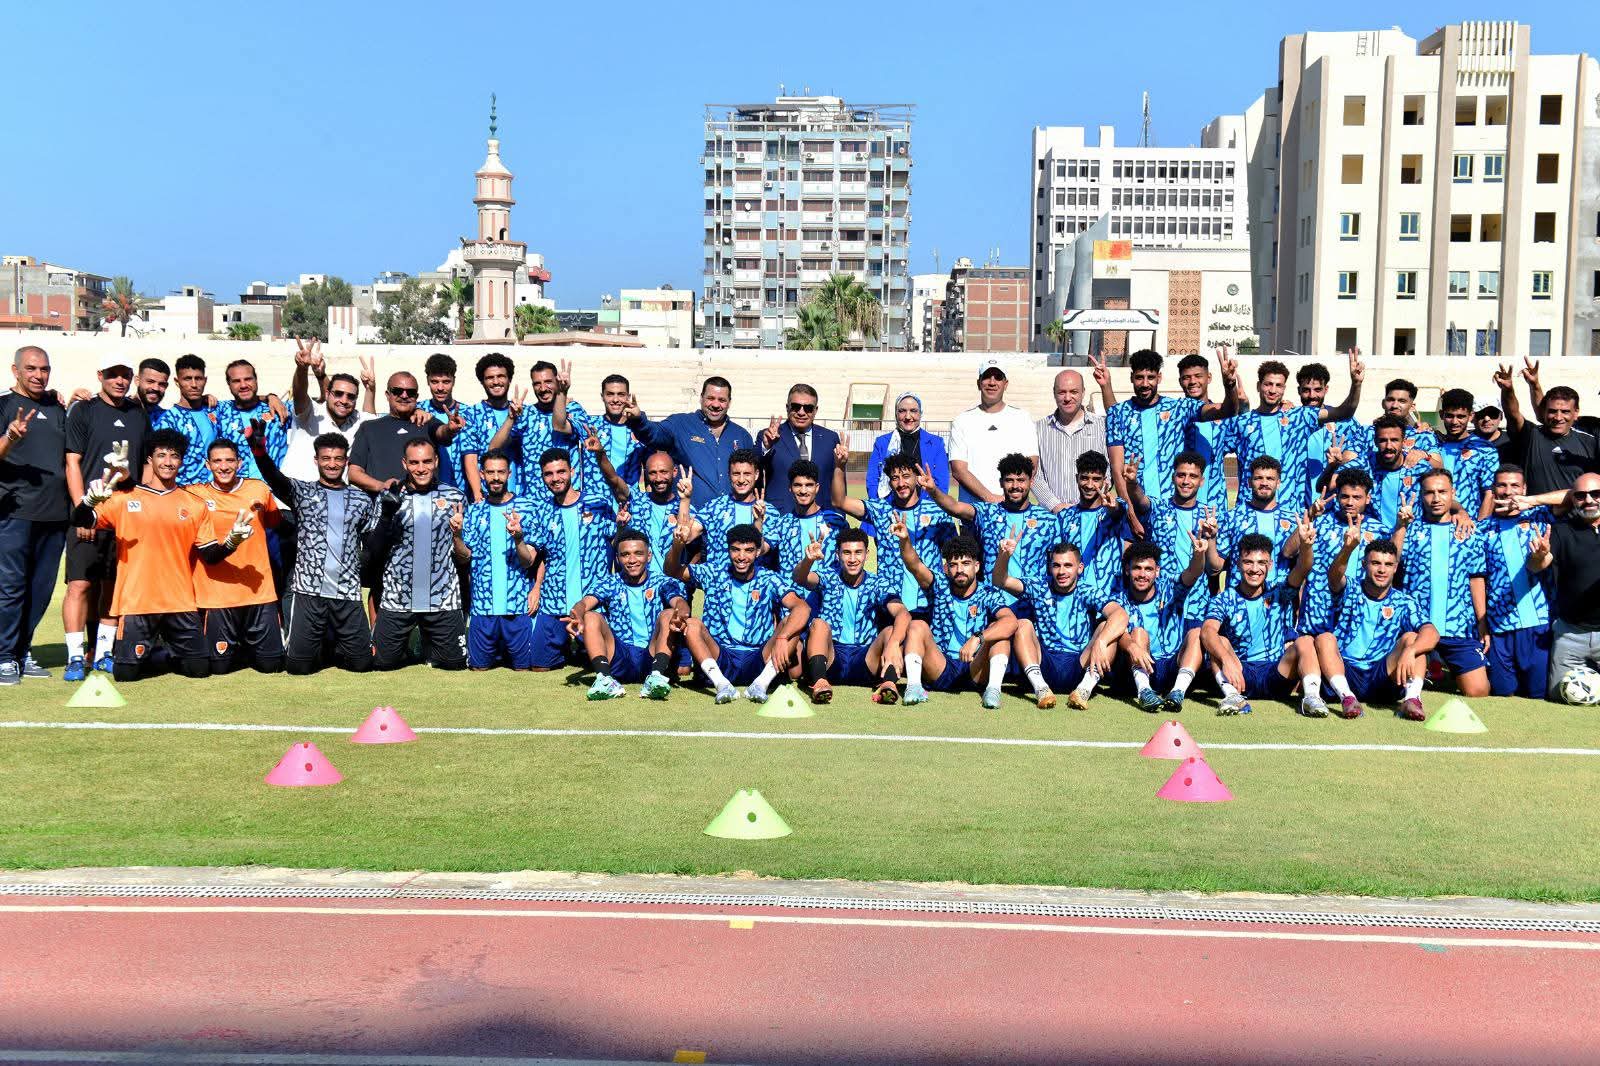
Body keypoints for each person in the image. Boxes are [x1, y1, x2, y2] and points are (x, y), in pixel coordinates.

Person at [73, 429, 254, 681]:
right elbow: (80, 520)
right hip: (137, 602)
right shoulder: (125, 498)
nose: (168, 462)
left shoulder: (194, 504)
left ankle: (163, 649)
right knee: (126, 674)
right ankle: (151, 650)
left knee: (199, 670)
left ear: (181, 461)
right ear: (150, 459)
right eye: (161, 455)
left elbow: (210, 555)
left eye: (174, 456)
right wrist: (89, 501)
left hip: (180, 602)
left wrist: (232, 541)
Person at [249, 428, 375, 676]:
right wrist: (259, 451)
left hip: (347, 592)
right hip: (308, 592)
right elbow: (275, 478)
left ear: (346, 461)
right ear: (316, 460)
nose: (332, 464)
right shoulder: (303, 492)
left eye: (338, 458)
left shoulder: (361, 500)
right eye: (326, 458)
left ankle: (334, 647)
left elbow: (370, 543)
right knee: (298, 668)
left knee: (362, 665)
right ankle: (310, 647)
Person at [62, 355, 145, 679]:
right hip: (90, 513)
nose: (119, 380)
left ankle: (104, 652)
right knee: (80, 585)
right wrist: (83, 512)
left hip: (124, 517)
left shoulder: (137, 413)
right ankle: (74, 656)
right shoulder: (83, 410)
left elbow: (143, 466)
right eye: (113, 374)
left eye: (125, 375)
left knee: (113, 585)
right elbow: (73, 463)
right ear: (100, 375)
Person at [669, 522, 810, 703]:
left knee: (792, 622)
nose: (741, 557)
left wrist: (783, 637)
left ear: (757, 552)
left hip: (759, 657)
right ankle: (722, 685)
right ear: (728, 550)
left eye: (748, 550)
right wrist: (677, 546)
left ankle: (761, 685)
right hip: (721, 655)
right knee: (692, 625)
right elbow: (673, 570)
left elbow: (802, 607)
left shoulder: (769, 578)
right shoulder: (714, 572)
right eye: (736, 550)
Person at [1106, 348, 1239, 538]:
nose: (1145, 383)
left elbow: (1225, 411)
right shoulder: (1117, 413)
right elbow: (1117, 469)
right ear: (1131, 378)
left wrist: (1230, 384)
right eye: (1139, 377)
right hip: (1135, 510)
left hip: (1169, 512)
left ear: (1159, 378)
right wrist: (1131, 515)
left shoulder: (1179, 408)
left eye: (1151, 377)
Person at [363, 439, 468, 671]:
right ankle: (409, 644)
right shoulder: (389, 496)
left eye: (427, 461)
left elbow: (465, 556)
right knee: (382, 663)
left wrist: (458, 535)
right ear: (405, 463)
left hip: (443, 597)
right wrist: (386, 516)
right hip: (398, 598)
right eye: (414, 462)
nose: (421, 468)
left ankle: (429, 642)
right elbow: (373, 550)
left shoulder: (455, 497)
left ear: (436, 461)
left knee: (455, 664)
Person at [992, 535, 1126, 711]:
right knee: (1023, 624)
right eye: (1056, 565)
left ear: (1080, 568)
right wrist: (1004, 556)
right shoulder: (1039, 587)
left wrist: (1101, 641)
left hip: (1080, 664)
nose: (1062, 571)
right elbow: (1000, 581)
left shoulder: (1088, 591)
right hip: (1044, 663)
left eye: (1068, 565)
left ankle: (1083, 691)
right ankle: (1040, 689)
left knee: (1106, 628)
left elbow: (1120, 614)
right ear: (1050, 567)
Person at [1201, 525, 1323, 717]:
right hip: (1240, 675)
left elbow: (1303, 568)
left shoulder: (1280, 591)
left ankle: (1311, 698)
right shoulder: (1224, 598)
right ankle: (1232, 696)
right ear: (1238, 563)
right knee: (1218, 641)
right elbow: (1207, 631)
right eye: (1248, 562)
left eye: (1261, 563)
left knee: (1305, 641)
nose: (1255, 569)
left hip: (1276, 674)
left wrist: (1306, 546)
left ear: (1270, 565)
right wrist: (1226, 660)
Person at [0, 345, 69, 683]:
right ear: (16, 371)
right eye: (31, 368)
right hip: (15, 515)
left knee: (40, 590)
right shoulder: (3, 406)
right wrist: (10, 437)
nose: (38, 375)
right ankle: (3, 657)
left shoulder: (57, 408)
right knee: (11, 588)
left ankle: (22, 651)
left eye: (44, 369)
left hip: (55, 515)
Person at [896, 527, 1017, 709]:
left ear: (977, 566)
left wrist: (978, 638)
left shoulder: (988, 593)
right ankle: (914, 687)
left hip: (976, 668)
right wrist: (905, 539)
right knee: (917, 625)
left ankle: (993, 690)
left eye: (966, 563)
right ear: (946, 568)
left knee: (999, 631)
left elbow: (1011, 622)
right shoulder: (939, 585)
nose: (960, 570)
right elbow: (914, 565)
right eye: (953, 565)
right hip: (941, 666)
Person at [1316, 531, 1432, 720]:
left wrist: (1411, 651)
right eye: (1376, 563)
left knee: (1413, 639)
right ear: (1364, 564)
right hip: (1346, 670)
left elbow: (1431, 632)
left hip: (1382, 676)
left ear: (1395, 568)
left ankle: (1412, 699)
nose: (1382, 570)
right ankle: (1347, 698)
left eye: (1388, 564)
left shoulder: (1404, 601)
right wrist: (1348, 549)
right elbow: (1334, 577)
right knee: (1324, 638)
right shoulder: (1350, 589)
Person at [524, 448, 621, 670]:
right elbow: (537, 556)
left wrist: (622, 528)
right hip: (555, 601)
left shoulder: (597, 503)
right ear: (542, 476)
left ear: (572, 471)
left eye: (561, 471)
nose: (555, 478)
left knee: (606, 663)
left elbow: (616, 543)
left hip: (593, 602)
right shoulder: (542, 511)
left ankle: (582, 647)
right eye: (549, 474)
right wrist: (537, 586)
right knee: (539, 665)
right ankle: (567, 647)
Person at [1231, 352, 1363, 509]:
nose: (1273, 390)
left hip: (1291, 512)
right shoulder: (1241, 422)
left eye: (1278, 385)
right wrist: (1231, 389)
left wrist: (1356, 384)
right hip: (1248, 510)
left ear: (1284, 389)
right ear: (1259, 386)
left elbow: (1345, 412)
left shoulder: (1299, 417)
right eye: (1268, 384)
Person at [832, 448, 957, 613]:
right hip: (890, 601)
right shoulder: (880, 509)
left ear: (917, 478)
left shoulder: (937, 512)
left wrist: (942, 585)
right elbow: (839, 501)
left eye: (906, 476)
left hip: (929, 602)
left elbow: (955, 554)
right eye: (895, 478)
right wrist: (840, 466)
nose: (901, 483)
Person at [569, 529, 690, 700]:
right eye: (625, 555)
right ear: (618, 558)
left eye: (638, 553)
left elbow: (679, 602)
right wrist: (578, 614)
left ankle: (656, 676)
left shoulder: (662, 581)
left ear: (649, 556)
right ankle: (605, 680)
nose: (632, 560)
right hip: (620, 655)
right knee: (590, 616)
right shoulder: (610, 582)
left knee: (669, 613)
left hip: (651, 653)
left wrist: (682, 613)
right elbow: (584, 603)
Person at [792, 526, 907, 705]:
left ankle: (888, 683)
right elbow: (800, 579)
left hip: (866, 658)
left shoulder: (879, 583)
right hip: (832, 657)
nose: (853, 559)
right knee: (819, 624)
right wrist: (808, 560)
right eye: (847, 553)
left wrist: (893, 642)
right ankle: (819, 681)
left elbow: (903, 613)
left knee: (892, 631)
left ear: (867, 554)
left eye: (858, 552)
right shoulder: (828, 577)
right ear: (837, 555)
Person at [919, 452, 1055, 600]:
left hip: (1033, 603)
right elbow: (955, 507)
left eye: (1021, 480)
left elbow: (1056, 564)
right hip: (995, 602)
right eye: (1009, 480)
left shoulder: (1047, 520)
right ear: (1001, 482)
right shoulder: (988, 513)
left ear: (1031, 482)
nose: (1015, 486)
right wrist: (933, 490)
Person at [451, 449, 539, 671]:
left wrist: (518, 538)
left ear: (509, 473)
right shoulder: (474, 511)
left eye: (501, 472)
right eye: (490, 472)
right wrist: (457, 535)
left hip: (516, 606)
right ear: (482, 474)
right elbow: (464, 557)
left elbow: (529, 561)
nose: (496, 477)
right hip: (483, 607)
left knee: (523, 669)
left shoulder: (527, 508)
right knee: (478, 668)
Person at [1478, 465, 1554, 698]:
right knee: (1503, 694)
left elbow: (1572, 496)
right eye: (1502, 485)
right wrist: (1482, 623)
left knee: (1537, 695)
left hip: (1537, 624)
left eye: (1514, 485)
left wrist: (1531, 502)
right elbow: (1477, 579)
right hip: (1499, 627)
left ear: (1524, 489)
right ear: (1493, 489)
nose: (1508, 491)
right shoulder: (1482, 530)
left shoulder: (1541, 516)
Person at [1114, 533, 1210, 714]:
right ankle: (1144, 692)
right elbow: (1116, 633)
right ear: (1127, 570)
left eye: (1148, 569)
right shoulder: (1118, 599)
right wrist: (1132, 646)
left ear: (1157, 571)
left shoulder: (1171, 587)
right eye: (1137, 568)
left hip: (1173, 665)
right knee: (1138, 632)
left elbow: (1193, 573)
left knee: (1196, 633)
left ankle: (1178, 691)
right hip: (1139, 667)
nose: (1142, 574)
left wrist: (1199, 555)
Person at [1124, 449, 1216, 636]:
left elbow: (1215, 568)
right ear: (1173, 477)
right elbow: (1140, 500)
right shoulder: (1158, 508)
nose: (1186, 481)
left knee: (1193, 646)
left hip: (1196, 602)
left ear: (1202, 481)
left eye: (1193, 476)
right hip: (1161, 600)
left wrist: (1211, 537)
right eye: (1181, 475)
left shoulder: (1210, 517)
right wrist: (1132, 483)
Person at [625, 375, 753, 507]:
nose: (715, 405)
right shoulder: (680, 424)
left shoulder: (742, 436)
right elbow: (654, 434)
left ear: (729, 402)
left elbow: (753, 475)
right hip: (688, 513)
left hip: (729, 515)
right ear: (701, 398)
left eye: (722, 400)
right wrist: (639, 420)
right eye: (710, 398)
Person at [1527, 472, 1600, 699]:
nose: (1588, 500)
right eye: (1581, 495)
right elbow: (1536, 566)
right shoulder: (1560, 530)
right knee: (1560, 697)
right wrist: (1539, 556)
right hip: (1570, 634)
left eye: (1596, 494)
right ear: (1572, 499)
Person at [1299, 469, 1392, 642]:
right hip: (1318, 616)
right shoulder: (1320, 523)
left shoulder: (1380, 531)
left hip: (1357, 620)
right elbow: (1289, 553)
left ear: (1368, 498)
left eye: (1356, 497)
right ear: (1337, 496)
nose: (1349, 502)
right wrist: (1310, 516)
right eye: (1344, 497)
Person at [1495, 359, 1599, 495]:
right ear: (1544, 412)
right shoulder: (1530, 435)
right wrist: (1508, 390)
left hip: (1575, 509)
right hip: (1533, 509)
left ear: (1576, 413)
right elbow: (1513, 415)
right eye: (1552, 411)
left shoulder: (1590, 441)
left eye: (1565, 412)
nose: (1558, 417)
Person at [486, 359, 589, 496]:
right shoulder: (526, 413)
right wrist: (511, 418)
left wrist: (562, 393)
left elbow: (559, 425)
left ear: (557, 382)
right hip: (534, 499)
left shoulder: (573, 409)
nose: (543, 388)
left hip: (566, 498)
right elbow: (494, 448)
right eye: (537, 384)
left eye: (548, 382)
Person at [347, 371, 462, 493]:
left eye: (410, 392)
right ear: (387, 395)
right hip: (383, 502)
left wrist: (450, 429)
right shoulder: (369, 428)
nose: (404, 395)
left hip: (426, 502)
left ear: (416, 397)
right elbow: (354, 473)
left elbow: (442, 433)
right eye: (397, 391)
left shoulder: (426, 421)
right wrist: (382, 486)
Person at [281, 340, 376, 482]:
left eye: (351, 396)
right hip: (294, 492)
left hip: (335, 494)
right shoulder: (311, 413)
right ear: (327, 394)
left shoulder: (356, 420)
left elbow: (371, 421)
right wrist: (302, 368)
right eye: (338, 394)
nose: (344, 400)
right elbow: (299, 393)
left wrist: (370, 389)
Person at [761, 460, 849, 611]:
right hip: (791, 608)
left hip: (828, 607)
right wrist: (758, 521)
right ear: (790, 488)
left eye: (809, 485)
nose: (803, 491)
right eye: (797, 485)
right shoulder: (782, 524)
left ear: (817, 488)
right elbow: (760, 550)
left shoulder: (835, 522)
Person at [948, 360, 1037, 504]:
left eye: (998, 377)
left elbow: (1031, 464)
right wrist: (990, 498)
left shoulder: (1022, 418)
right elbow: (959, 470)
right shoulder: (962, 420)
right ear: (979, 383)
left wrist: (1009, 497)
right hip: (974, 510)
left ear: (1005, 384)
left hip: (1012, 509)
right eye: (987, 377)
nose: (992, 382)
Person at [1331, 415, 1433, 530]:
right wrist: (1332, 466)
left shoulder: (1420, 468)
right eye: (1383, 440)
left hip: (1410, 536)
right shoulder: (1365, 463)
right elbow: (1330, 485)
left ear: (1404, 442)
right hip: (1376, 536)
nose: (1388, 446)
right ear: (1375, 441)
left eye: (1394, 440)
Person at [1057, 450, 1128, 604]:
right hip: (1076, 600)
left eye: (1096, 479)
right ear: (1077, 478)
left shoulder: (1115, 510)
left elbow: (1118, 511)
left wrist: (1112, 508)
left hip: (1110, 597)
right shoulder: (1064, 517)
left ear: (1105, 481)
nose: (1089, 485)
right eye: (1085, 478)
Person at [1214, 456, 1298, 584]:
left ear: (1278, 483)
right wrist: (1210, 539)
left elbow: (1300, 568)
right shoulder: (1231, 517)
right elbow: (1215, 567)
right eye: (1258, 478)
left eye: (1270, 478)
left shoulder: (1293, 520)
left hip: (1279, 595)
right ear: (1249, 482)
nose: (1264, 483)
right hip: (1238, 595)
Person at [758, 383, 841, 512]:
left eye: (808, 408)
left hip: (822, 516)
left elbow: (838, 480)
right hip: (781, 515)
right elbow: (753, 469)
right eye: (796, 407)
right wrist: (766, 447)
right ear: (787, 407)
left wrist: (838, 516)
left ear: (815, 410)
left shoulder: (830, 438)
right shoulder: (769, 436)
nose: (801, 412)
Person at [1033, 369, 1106, 512]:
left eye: (1074, 392)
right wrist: (1056, 506)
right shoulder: (1038, 429)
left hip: (1093, 514)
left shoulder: (1102, 426)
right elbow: (1035, 474)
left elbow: (1108, 471)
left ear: (1083, 392)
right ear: (1054, 393)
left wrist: (1090, 502)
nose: (1067, 398)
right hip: (1053, 516)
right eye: (1062, 392)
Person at [1297, 362, 1364, 509]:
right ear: (1298, 390)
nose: (1312, 396)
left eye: (1318, 390)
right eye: (1306, 390)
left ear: (1326, 389)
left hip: (1335, 510)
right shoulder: (1291, 422)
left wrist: (1356, 384)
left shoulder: (1346, 423)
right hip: (1298, 508)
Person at [867, 392, 949, 503]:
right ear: (896, 414)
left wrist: (926, 509)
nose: (908, 417)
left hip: (926, 508)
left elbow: (942, 484)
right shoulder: (881, 443)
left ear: (920, 413)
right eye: (902, 411)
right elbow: (872, 481)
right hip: (889, 508)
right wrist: (881, 508)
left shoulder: (936, 443)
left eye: (913, 411)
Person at [214, 359, 288, 481]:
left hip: (276, 489)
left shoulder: (278, 409)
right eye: (236, 381)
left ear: (256, 380)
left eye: (248, 379)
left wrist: (271, 397)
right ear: (228, 384)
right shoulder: (220, 411)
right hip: (238, 489)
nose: (243, 385)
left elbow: (305, 403)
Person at [151, 354, 218, 486]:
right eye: (187, 379)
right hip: (184, 490)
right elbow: (158, 463)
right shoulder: (168, 420)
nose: (194, 384)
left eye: (198, 378)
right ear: (177, 382)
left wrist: (268, 397)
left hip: (214, 490)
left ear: (205, 380)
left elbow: (247, 402)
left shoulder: (214, 410)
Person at [460, 352, 520, 498]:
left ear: (509, 379)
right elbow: (470, 460)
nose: (496, 382)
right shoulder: (472, 414)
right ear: (482, 381)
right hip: (487, 495)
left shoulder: (522, 412)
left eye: (501, 376)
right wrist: (477, 494)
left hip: (520, 495)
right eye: (489, 378)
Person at [582, 373, 647, 503]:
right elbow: (562, 426)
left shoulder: (640, 430)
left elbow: (651, 470)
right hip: (596, 504)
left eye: (621, 394)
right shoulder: (589, 426)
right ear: (602, 396)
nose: (615, 399)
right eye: (610, 394)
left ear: (628, 396)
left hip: (629, 504)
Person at [1434, 388, 1497, 519]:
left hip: (1469, 524)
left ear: (1471, 416)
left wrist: (1480, 527)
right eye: (1449, 416)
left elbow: (1490, 494)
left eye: (1461, 416)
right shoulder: (1432, 446)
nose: (1455, 422)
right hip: (1434, 522)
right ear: (1441, 415)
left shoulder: (1484, 449)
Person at [421, 353, 472, 494]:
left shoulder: (469, 413)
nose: (440, 387)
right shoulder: (418, 412)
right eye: (434, 381)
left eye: (446, 381)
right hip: (428, 493)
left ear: (454, 381)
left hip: (462, 493)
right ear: (427, 381)